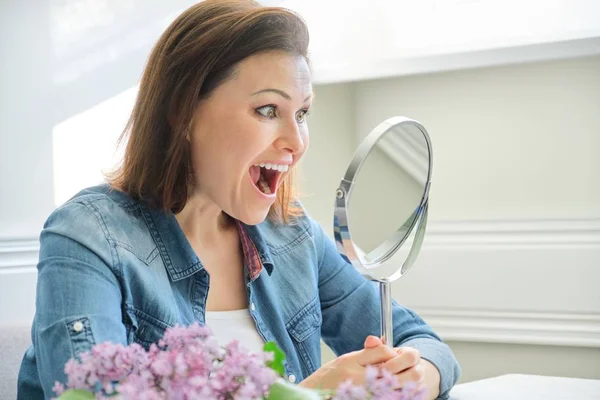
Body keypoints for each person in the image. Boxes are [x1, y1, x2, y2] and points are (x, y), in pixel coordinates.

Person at [17, 1, 460, 398]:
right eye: (268, 110)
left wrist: (417, 373)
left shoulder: (293, 235)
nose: (296, 141)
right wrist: (304, 394)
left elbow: (422, 343)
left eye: (302, 113)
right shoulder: (88, 236)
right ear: (184, 112)